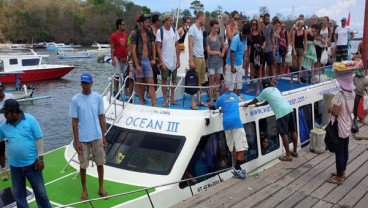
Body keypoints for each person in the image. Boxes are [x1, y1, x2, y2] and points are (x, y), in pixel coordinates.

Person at [0, 99, 51, 207]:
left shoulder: (30, 119)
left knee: (41, 193)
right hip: (15, 167)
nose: (4, 115)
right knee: (19, 196)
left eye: (6, 113)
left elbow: (39, 139)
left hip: (32, 164)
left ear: (14, 112)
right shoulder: (3, 126)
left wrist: (40, 159)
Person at [69, 72, 108, 201]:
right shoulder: (75, 99)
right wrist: (76, 141)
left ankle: (101, 187)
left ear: (92, 83)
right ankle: (84, 190)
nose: (84, 85)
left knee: (100, 163)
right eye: (83, 82)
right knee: (83, 165)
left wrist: (103, 136)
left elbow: (101, 116)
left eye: (87, 82)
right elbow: (74, 121)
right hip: (83, 139)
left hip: (97, 136)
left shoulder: (97, 97)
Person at [243, 79, 298, 161]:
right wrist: (260, 105)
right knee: (293, 131)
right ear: (269, 83)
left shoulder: (265, 91)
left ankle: (288, 156)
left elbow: (256, 99)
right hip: (289, 109)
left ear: (263, 86)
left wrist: (247, 104)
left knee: (283, 134)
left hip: (281, 112)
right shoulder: (275, 89)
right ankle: (295, 151)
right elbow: (269, 101)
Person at [208, 82, 248, 179]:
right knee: (243, 147)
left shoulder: (220, 98)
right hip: (236, 123)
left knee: (233, 147)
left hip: (226, 124)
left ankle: (236, 167)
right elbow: (232, 105)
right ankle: (237, 168)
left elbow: (214, 107)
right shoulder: (234, 96)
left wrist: (211, 103)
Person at [326, 72, 355, 185]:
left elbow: (336, 112)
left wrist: (330, 109)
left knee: (339, 152)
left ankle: (339, 177)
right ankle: (342, 172)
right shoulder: (352, 93)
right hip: (347, 124)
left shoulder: (339, 95)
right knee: (344, 149)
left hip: (340, 126)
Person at [131, 14, 157, 106]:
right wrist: (137, 65)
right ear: (141, 23)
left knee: (151, 82)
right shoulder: (135, 33)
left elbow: (153, 46)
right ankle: (142, 102)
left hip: (148, 60)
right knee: (139, 82)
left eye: (148, 22)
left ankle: (154, 104)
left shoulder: (149, 32)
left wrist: (154, 58)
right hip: (139, 60)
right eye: (146, 22)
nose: (148, 24)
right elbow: (133, 49)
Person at [156, 13, 180, 107]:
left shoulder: (174, 30)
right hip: (165, 60)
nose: (172, 22)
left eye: (172, 20)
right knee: (164, 80)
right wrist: (161, 62)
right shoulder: (160, 31)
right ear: (165, 21)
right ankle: (165, 99)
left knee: (174, 80)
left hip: (173, 60)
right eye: (170, 20)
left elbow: (177, 45)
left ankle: (173, 99)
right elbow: (158, 47)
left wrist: (178, 59)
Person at [225, 24, 250, 101]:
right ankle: (230, 98)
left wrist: (245, 59)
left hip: (240, 63)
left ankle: (238, 96)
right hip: (231, 64)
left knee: (239, 81)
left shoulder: (245, 39)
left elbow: (244, 50)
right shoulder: (236, 39)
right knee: (231, 83)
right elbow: (232, 52)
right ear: (246, 33)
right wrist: (232, 66)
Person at [188, 11, 206, 110]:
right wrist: (191, 60)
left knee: (200, 80)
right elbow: (190, 44)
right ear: (200, 17)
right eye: (204, 18)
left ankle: (199, 99)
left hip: (202, 57)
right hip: (195, 57)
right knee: (194, 80)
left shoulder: (200, 29)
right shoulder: (192, 29)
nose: (205, 20)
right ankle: (192, 101)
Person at [110, 18, 131, 98]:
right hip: (116, 57)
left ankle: (126, 91)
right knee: (117, 74)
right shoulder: (114, 35)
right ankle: (116, 90)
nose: (124, 26)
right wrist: (112, 59)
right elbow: (112, 48)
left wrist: (127, 58)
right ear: (119, 26)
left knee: (125, 75)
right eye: (123, 24)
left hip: (124, 58)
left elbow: (126, 47)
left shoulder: (125, 35)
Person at [206, 19, 225, 104]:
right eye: (215, 28)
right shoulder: (208, 38)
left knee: (218, 80)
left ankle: (217, 98)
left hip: (219, 62)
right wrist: (218, 52)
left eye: (217, 28)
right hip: (211, 63)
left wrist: (223, 53)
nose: (216, 30)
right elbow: (208, 51)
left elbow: (224, 46)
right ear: (211, 28)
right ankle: (210, 98)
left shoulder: (220, 37)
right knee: (211, 80)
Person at [247, 19, 265, 95]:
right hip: (252, 54)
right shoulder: (249, 34)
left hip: (260, 54)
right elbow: (248, 46)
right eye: (253, 24)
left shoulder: (261, 33)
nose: (254, 25)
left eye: (255, 24)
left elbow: (264, 41)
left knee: (259, 72)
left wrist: (262, 47)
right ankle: (251, 87)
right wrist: (247, 56)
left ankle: (258, 89)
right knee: (251, 72)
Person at [0, 82, 13, 181]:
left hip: (10, 126)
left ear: (3, 88)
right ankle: (4, 170)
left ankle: (16, 166)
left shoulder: (10, 97)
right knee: (0, 151)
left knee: (14, 147)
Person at [260, 13, 275, 78]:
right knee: (262, 66)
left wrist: (273, 46)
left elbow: (272, 37)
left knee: (271, 65)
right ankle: (262, 79)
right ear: (264, 19)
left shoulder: (271, 27)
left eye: (268, 19)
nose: (267, 20)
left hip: (269, 49)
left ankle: (271, 79)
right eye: (266, 19)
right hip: (262, 49)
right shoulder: (260, 26)